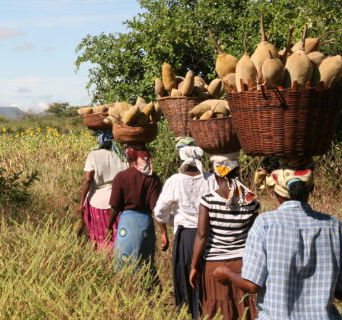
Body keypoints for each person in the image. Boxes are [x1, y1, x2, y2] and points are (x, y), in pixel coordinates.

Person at [213, 159, 342, 320]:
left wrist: (227, 273)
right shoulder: (333, 226)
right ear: (310, 187)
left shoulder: (265, 224)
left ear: (273, 189)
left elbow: (252, 284)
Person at [189, 153, 259, 320]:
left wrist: (193, 266)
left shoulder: (208, 200)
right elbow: (255, 234)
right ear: (238, 171)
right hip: (243, 264)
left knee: (218, 310)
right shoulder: (250, 201)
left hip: (214, 265)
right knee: (244, 309)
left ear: (215, 174)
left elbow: (202, 235)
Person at [154, 137, 217, 319]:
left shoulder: (175, 181)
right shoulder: (211, 180)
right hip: (209, 236)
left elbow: (159, 211)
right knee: (205, 277)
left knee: (186, 276)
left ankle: (189, 313)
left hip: (186, 236)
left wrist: (171, 223)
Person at [107, 143, 168, 275]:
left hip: (126, 224)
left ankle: (126, 289)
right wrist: (163, 232)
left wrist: (109, 227)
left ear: (129, 157)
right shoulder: (152, 178)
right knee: (145, 263)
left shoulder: (121, 177)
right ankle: (148, 292)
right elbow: (155, 209)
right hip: (145, 224)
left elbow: (115, 208)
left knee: (123, 262)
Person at [79, 130, 128, 249]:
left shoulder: (93, 155)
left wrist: (81, 203)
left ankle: (103, 259)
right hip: (118, 201)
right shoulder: (120, 155)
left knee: (99, 236)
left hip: (97, 201)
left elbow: (88, 180)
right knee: (117, 235)